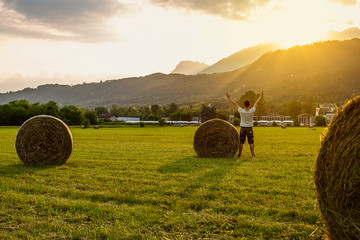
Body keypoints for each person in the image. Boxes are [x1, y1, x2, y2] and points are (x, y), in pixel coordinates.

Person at [226, 91, 263, 158]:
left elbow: (235, 104)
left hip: (242, 128)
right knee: (251, 142)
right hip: (249, 128)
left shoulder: (241, 111)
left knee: (241, 142)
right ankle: (252, 155)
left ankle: (239, 154)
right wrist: (260, 96)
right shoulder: (252, 110)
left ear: (244, 105)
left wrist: (229, 97)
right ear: (249, 105)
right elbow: (257, 103)